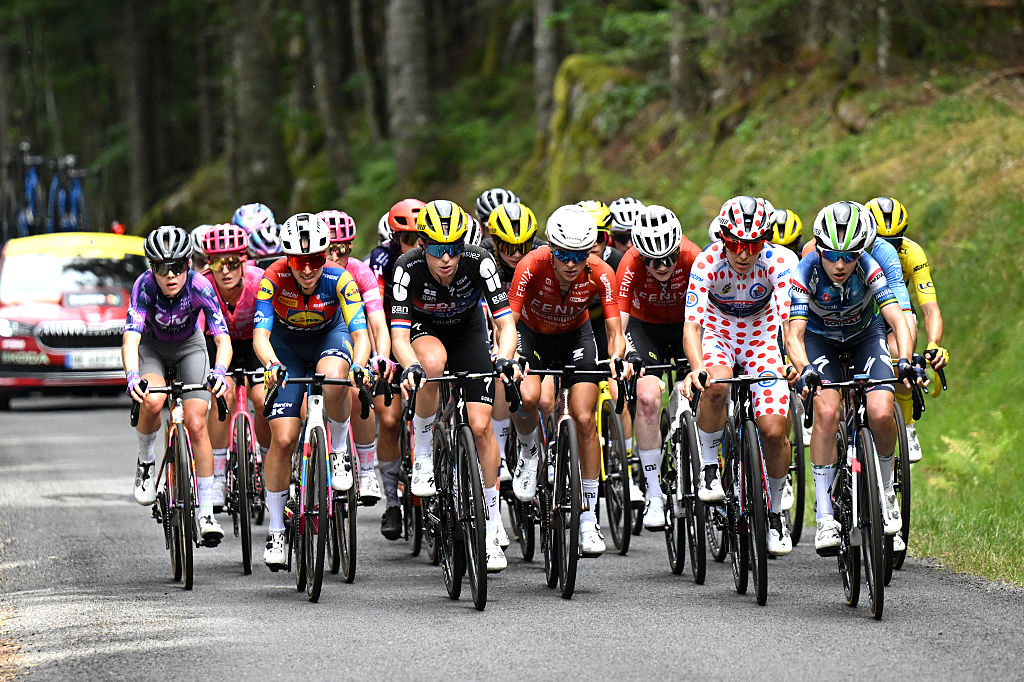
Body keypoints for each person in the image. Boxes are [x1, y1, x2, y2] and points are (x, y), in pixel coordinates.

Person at [785, 201, 924, 554]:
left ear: (861, 252)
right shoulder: (806, 271)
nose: (841, 264)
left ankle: (886, 492)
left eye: (849, 255)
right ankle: (827, 515)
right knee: (828, 412)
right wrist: (805, 370)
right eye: (832, 255)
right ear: (819, 248)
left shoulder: (871, 267)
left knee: (881, 410)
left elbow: (897, 318)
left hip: (864, 335)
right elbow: (794, 335)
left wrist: (905, 360)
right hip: (820, 340)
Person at [392, 199, 521, 572]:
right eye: (436, 249)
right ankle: (424, 454)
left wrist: (504, 356)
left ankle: (492, 523)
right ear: (421, 245)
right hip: (425, 332)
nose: (446, 259)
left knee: (481, 427)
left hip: (467, 332)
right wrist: (411, 366)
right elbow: (399, 336)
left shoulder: (480, 261)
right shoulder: (408, 268)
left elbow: (504, 322)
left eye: (453, 249)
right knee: (432, 365)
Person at [508, 204, 631, 558]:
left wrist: (617, 360)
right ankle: (530, 452)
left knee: (584, 417)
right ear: (551, 249)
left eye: (579, 255)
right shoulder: (531, 265)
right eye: (562, 254)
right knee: (530, 398)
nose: (571, 263)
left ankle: (588, 517)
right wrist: (511, 357)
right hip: (532, 336)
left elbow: (613, 330)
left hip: (576, 337)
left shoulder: (601, 272)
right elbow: (510, 321)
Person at [252, 213, 371, 570]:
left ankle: (336, 451)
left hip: (328, 339)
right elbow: (260, 335)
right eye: (299, 262)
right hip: (286, 348)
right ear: (287, 258)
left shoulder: (340, 279)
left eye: (316, 260)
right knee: (284, 439)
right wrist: (272, 364)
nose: (307, 271)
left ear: (327, 255)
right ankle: (276, 531)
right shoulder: (272, 278)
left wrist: (361, 364)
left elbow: (360, 334)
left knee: (336, 377)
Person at [681, 196, 797, 556]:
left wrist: (789, 362)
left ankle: (775, 514)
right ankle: (709, 466)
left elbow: (787, 322)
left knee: (774, 430)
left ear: (765, 242)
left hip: (762, 336)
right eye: (734, 244)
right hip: (720, 333)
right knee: (715, 386)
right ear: (723, 237)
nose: (743, 254)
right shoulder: (708, 261)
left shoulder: (780, 262)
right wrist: (697, 366)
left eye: (752, 246)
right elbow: (692, 326)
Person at [123, 225, 232, 544]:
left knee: (198, 423)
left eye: (178, 267)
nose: (170, 275)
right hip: (153, 349)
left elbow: (221, 339)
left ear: (188, 265)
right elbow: (131, 339)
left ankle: (207, 511)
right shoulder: (144, 287)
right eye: (160, 267)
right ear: (151, 268)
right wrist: (132, 375)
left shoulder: (200, 286)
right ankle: (145, 461)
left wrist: (221, 371)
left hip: (190, 347)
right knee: (153, 400)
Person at [617, 205, 701, 530]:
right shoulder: (629, 264)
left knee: (707, 387)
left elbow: (711, 314)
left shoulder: (694, 257)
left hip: (687, 327)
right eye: (654, 260)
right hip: (644, 330)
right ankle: (653, 493)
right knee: (648, 398)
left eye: (669, 257)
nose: (663, 266)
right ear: (640, 254)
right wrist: (624, 354)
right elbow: (619, 322)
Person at [866, 196, 949, 463]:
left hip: (897, 308)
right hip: (861, 310)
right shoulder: (855, 251)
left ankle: (907, 424)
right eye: (880, 240)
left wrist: (933, 343)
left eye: (895, 241)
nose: (887, 248)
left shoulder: (912, 252)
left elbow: (930, 309)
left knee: (899, 355)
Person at [318, 209, 391, 504]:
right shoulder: (306, 270)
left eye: (343, 249)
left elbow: (377, 323)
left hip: (347, 335)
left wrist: (381, 357)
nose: (335, 256)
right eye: (328, 249)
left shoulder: (360, 272)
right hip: (309, 336)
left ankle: (366, 469)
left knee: (356, 388)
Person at [199, 224, 270, 510]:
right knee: (222, 396)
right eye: (218, 263)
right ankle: (217, 476)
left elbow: (272, 330)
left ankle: (268, 465)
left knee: (263, 399)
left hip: (254, 342)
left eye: (232, 263)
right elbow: (197, 334)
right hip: (217, 344)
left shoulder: (259, 281)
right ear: (209, 265)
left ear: (244, 261)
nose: (225, 270)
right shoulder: (202, 286)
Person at [368, 198, 426, 540]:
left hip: (421, 330)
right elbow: (375, 305)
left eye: (419, 236)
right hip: (389, 332)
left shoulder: (433, 254)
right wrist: (382, 355)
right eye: (405, 238)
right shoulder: (382, 258)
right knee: (389, 420)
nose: (413, 244)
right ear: (393, 237)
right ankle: (392, 502)